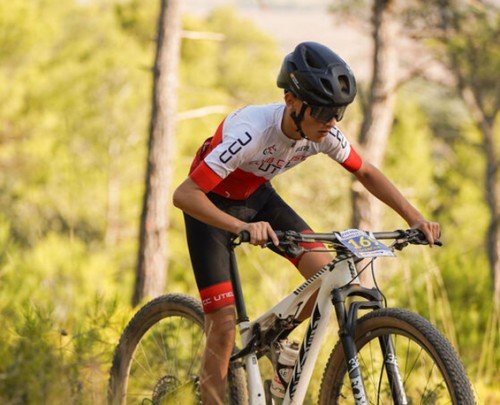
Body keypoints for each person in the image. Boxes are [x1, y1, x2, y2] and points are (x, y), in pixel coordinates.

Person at [173, 41, 440, 404]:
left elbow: (366, 172)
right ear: (291, 101)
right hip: (209, 204)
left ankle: (277, 348)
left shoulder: (322, 134)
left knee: (326, 278)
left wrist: (415, 218)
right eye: (324, 111)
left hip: (256, 197)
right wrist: (239, 228)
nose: (331, 123)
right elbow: (184, 195)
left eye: (338, 113)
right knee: (222, 324)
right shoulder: (251, 132)